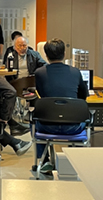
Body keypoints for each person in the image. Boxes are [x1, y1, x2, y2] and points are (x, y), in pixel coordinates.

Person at [34, 38, 89, 172]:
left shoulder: (39, 73)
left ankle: (44, 160)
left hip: (47, 126)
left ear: (46, 55)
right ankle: (76, 159)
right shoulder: (75, 72)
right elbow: (83, 96)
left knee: (35, 121)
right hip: (73, 126)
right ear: (64, 54)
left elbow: (42, 95)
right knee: (82, 120)